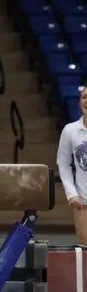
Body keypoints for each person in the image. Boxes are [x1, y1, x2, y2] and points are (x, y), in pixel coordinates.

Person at [57, 87, 87, 244]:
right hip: (84, 201)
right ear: (80, 103)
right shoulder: (70, 130)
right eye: (84, 97)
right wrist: (71, 193)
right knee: (86, 251)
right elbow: (63, 163)